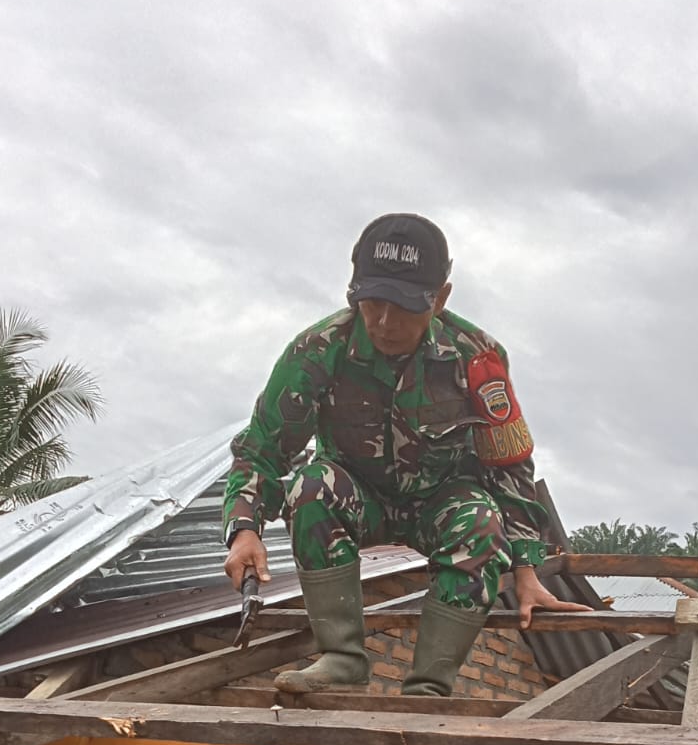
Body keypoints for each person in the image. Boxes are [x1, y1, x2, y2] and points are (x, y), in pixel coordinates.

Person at [223, 212, 588, 696]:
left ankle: (429, 685)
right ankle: (342, 657)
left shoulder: (476, 357)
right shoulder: (317, 349)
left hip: (441, 501)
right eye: (372, 303)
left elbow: (509, 465)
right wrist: (244, 528)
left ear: (440, 299)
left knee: (479, 519)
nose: (384, 322)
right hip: (356, 496)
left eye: (404, 306)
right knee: (312, 486)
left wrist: (526, 566)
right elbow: (263, 447)